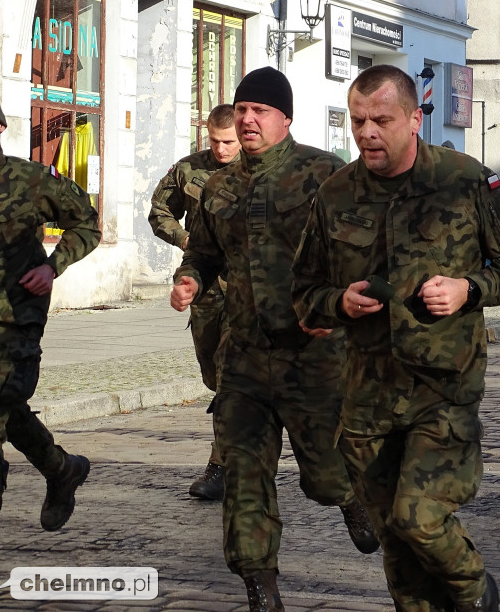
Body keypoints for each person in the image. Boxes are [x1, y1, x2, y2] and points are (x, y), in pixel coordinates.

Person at [292, 64, 500, 612]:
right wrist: (338, 302)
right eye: (358, 121)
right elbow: (304, 288)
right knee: (393, 538)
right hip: (367, 393)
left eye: (380, 119)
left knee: (418, 517)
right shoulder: (335, 194)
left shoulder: (464, 180)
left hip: (443, 385)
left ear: (414, 118)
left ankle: (474, 590)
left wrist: (468, 289)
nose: (366, 133)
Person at [171, 67, 377, 612]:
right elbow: (204, 251)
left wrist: (341, 304)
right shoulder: (219, 186)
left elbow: (362, 250)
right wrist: (190, 277)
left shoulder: (326, 175)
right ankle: (261, 588)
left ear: (285, 118)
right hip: (242, 355)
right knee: (243, 476)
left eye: (259, 110)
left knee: (324, 472)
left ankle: (351, 498)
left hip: (311, 353)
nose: (246, 119)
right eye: (240, 109)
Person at [0, 85, 100, 582]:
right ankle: (61, 469)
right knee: (4, 410)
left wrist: (53, 267)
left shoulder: (32, 179)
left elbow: (87, 223)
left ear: (1, 126)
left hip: (15, 320)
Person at [149, 104, 240, 501]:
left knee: (231, 378)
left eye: (230, 142)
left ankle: (222, 465)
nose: (222, 149)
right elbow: (159, 211)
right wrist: (184, 240)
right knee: (213, 376)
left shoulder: (262, 173)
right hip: (206, 289)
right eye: (216, 141)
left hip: (249, 291)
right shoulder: (188, 170)